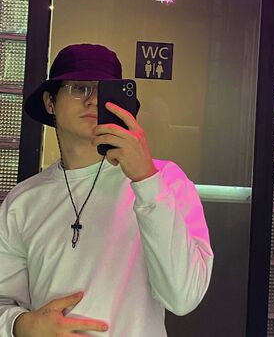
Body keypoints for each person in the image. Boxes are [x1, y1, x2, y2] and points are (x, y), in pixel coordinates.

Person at [0, 44, 213, 337]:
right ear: (50, 102)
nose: (93, 100)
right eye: (79, 88)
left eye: (104, 91)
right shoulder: (24, 200)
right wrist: (23, 325)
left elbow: (183, 296)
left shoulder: (165, 180)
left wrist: (145, 179)